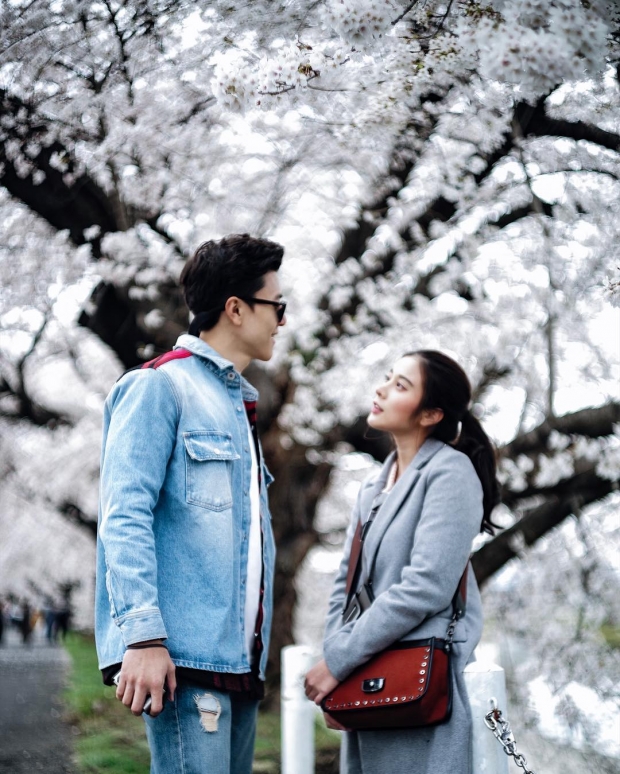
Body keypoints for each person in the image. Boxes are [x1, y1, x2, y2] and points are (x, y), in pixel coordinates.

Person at [95, 234, 286, 774]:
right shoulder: (160, 386)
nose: (283, 321)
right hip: (183, 660)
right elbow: (123, 516)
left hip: (239, 663)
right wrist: (144, 638)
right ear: (235, 308)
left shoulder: (237, 408)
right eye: (277, 306)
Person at [305, 350, 500, 774]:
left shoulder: (451, 473)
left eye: (400, 385)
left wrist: (339, 660)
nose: (381, 389)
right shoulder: (372, 487)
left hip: (421, 686)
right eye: (387, 378)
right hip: (369, 680)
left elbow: (427, 586)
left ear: (431, 413)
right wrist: (336, 651)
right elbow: (347, 583)